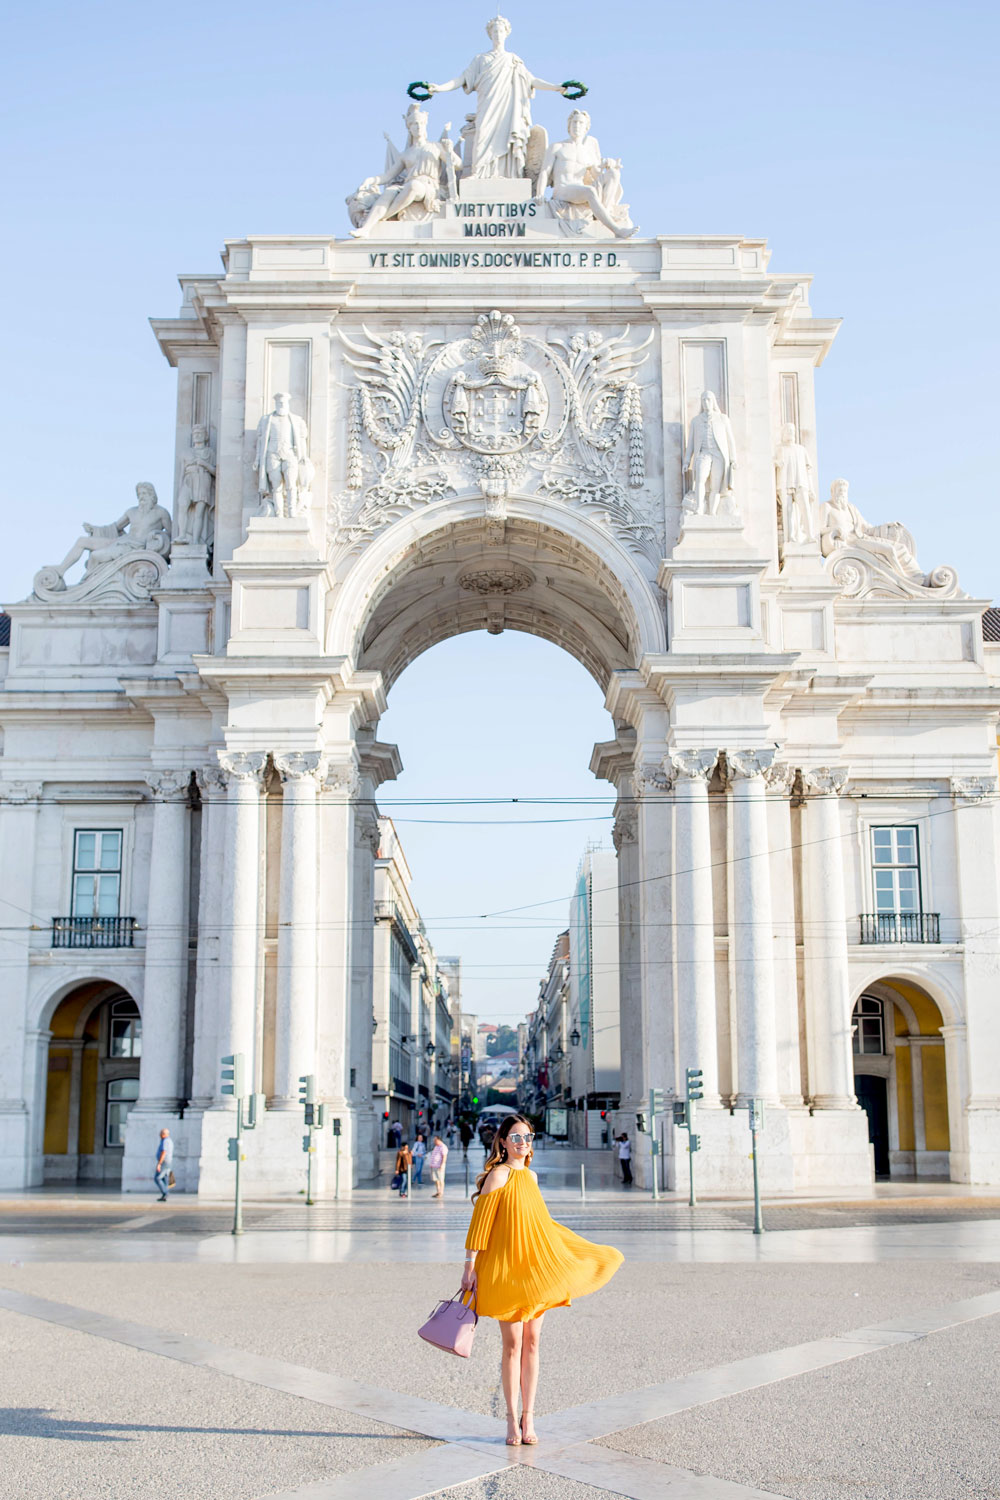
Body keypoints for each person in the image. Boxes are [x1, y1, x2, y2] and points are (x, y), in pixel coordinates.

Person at [461, 1114, 623, 1446]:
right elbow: (481, 1225)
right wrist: (469, 1266)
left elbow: (541, 1225)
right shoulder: (498, 1176)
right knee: (511, 1346)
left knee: (533, 1343)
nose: (523, 1143)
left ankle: (529, 1417)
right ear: (503, 1142)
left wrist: (573, 1249)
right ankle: (510, 1419)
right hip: (508, 1270)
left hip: (535, 1271)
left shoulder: (532, 1177)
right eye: (516, 1138)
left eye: (528, 1137)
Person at [426, 15, 573, 180]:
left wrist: (555, 87)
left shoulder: (513, 60)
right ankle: (479, 173)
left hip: (508, 109)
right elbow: (461, 79)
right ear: (490, 34)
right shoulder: (480, 59)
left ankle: (509, 175)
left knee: (507, 137)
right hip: (487, 106)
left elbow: (531, 80)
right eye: (494, 30)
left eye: (501, 30)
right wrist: (439, 88)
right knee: (483, 135)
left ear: (506, 33)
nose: (498, 33)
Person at [154, 1129, 173, 1202]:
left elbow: (164, 1152)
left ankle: (165, 1193)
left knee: (158, 1178)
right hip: (167, 1162)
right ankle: (165, 1194)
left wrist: (159, 1163)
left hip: (164, 1162)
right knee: (164, 1178)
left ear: (164, 1134)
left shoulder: (165, 1141)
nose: (159, 1135)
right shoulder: (169, 1141)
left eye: (161, 1133)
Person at [428, 1133, 449, 1199]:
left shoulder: (443, 1147)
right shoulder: (436, 1146)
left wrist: (442, 1164)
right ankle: (438, 1191)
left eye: (435, 1140)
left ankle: (441, 1192)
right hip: (434, 1166)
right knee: (436, 1180)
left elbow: (444, 1156)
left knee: (440, 1179)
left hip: (439, 1166)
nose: (434, 1142)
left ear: (438, 1140)